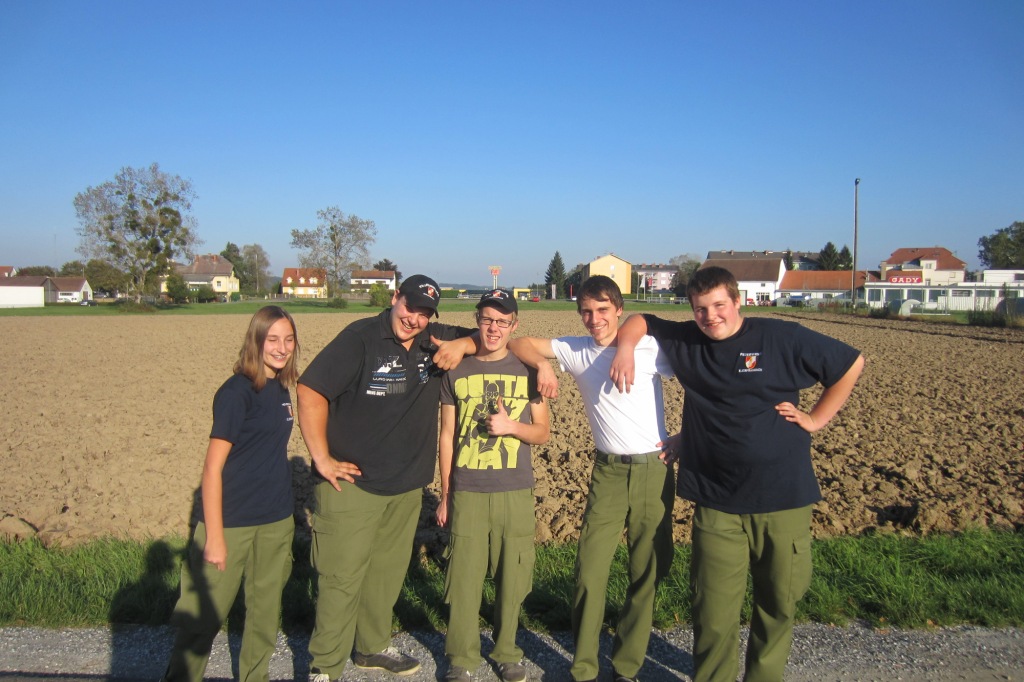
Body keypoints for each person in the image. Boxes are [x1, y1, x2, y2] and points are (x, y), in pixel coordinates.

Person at [611, 266, 865, 682]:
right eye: (700, 309)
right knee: (712, 612)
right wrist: (624, 348)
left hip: (782, 499)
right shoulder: (688, 341)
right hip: (717, 502)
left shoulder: (780, 337)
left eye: (718, 305)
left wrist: (817, 419)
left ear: (737, 301)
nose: (710, 316)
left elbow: (850, 363)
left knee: (777, 605)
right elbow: (641, 319)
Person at [298, 275, 479, 682]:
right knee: (341, 578)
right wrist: (322, 458)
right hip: (352, 485)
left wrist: (463, 345)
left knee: (386, 574)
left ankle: (372, 646)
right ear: (395, 298)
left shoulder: (433, 340)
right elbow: (310, 390)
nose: (414, 319)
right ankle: (324, 666)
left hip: (406, 486)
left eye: (425, 314)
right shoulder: (360, 339)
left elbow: (490, 337)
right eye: (410, 307)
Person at [507, 275, 676, 682]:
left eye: (602, 309)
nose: (594, 318)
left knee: (645, 572)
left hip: (653, 468)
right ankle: (583, 667)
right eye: (586, 311)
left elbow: (704, 380)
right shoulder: (577, 350)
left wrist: (688, 435)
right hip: (608, 472)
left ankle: (627, 667)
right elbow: (519, 343)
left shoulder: (650, 349)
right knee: (589, 571)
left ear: (619, 310)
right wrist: (543, 364)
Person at [162, 305, 300, 682]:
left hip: (275, 520)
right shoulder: (236, 392)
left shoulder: (281, 388)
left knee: (264, 617)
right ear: (256, 341)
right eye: (273, 339)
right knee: (202, 618)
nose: (282, 348)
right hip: (232, 522)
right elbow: (212, 468)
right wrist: (215, 537)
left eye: (289, 340)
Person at [436, 289, 550, 682]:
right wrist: (446, 494)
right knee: (463, 579)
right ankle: (462, 657)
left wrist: (511, 427)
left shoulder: (528, 371)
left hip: (514, 489)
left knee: (512, 577)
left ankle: (507, 652)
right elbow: (447, 436)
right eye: (487, 319)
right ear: (477, 321)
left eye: (502, 321)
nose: (494, 328)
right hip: (468, 489)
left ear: (514, 325)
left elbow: (543, 432)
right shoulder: (456, 370)